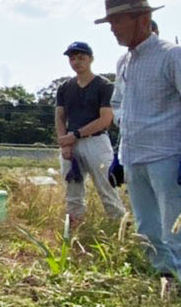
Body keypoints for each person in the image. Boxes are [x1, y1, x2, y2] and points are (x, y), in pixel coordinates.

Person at [100, 0, 181, 288]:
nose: (112, 28)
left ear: (143, 19)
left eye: (118, 21)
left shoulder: (173, 55)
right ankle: (166, 281)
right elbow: (121, 106)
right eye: (110, 22)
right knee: (147, 229)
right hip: (134, 158)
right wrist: (118, 156)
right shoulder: (124, 62)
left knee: (178, 233)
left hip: (168, 157)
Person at [53, 41, 126, 232]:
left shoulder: (104, 86)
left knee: (107, 189)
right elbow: (60, 116)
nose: (76, 62)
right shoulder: (64, 87)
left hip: (96, 141)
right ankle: (74, 233)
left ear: (91, 59)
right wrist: (64, 143)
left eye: (81, 58)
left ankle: (120, 231)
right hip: (70, 143)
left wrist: (75, 135)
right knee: (73, 192)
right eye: (72, 58)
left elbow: (105, 119)